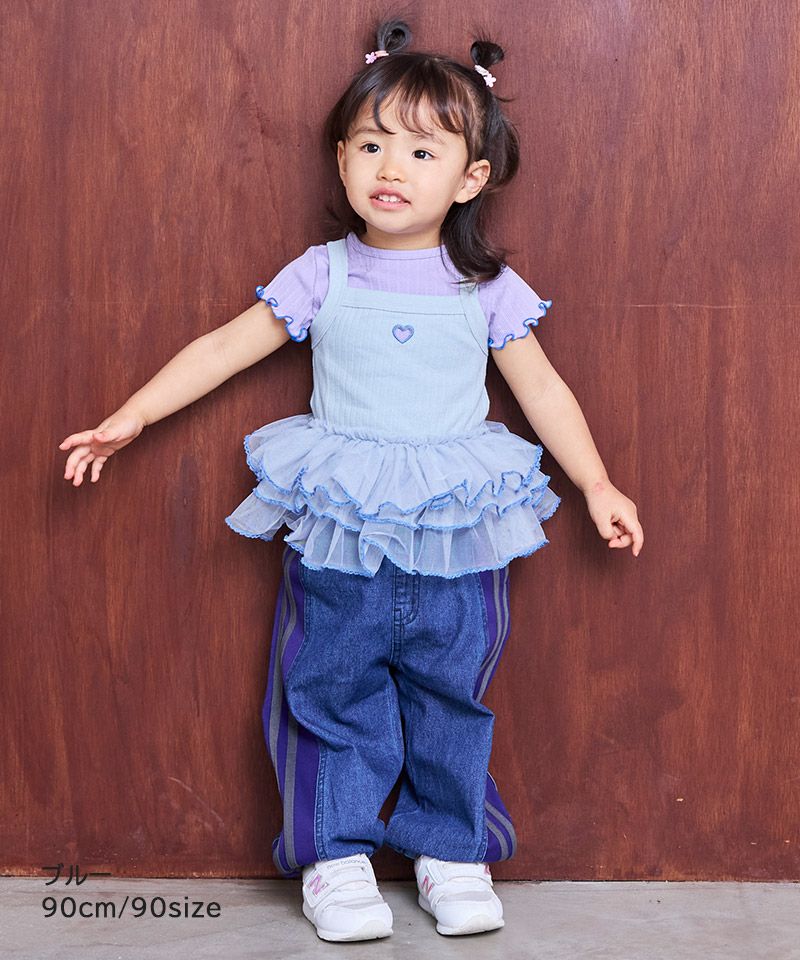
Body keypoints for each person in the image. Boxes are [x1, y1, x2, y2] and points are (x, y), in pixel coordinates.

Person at [59, 16, 643, 944]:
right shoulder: (322, 273)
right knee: (327, 684)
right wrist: (132, 415)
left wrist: (598, 484)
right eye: (371, 145)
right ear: (340, 159)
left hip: (458, 530)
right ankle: (333, 857)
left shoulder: (485, 286)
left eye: (421, 151)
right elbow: (223, 347)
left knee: (454, 690)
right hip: (345, 525)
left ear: (470, 179)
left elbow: (543, 392)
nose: (391, 167)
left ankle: (452, 849)